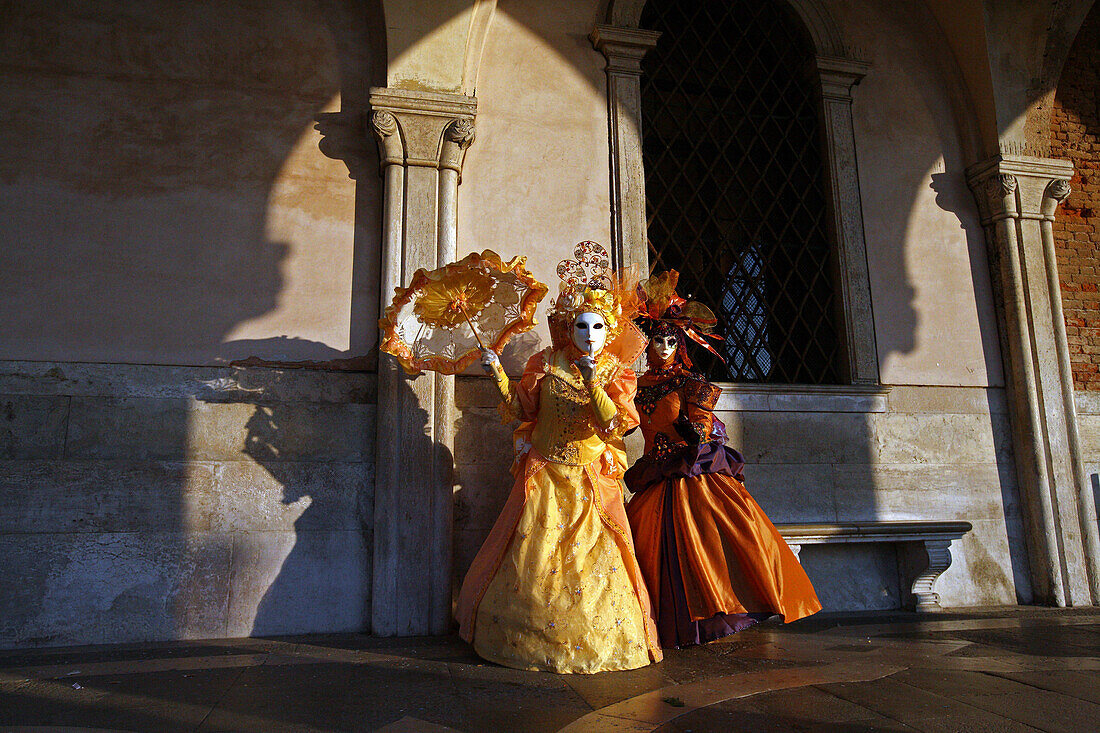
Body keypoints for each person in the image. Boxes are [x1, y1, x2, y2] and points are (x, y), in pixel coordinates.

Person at [455, 242, 663, 673]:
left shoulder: (617, 373)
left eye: (598, 328)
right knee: (533, 560)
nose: (589, 336)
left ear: (609, 331)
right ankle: (522, 643)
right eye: (581, 327)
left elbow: (616, 426)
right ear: (568, 328)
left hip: (588, 484)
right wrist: (495, 369)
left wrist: (593, 384)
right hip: (546, 476)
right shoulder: (544, 363)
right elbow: (520, 411)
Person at [625, 271, 821, 649]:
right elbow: (626, 424)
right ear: (646, 344)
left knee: (708, 547)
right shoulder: (634, 387)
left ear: (679, 344)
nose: (663, 347)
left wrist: (694, 427)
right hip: (654, 476)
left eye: (670, 340)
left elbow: (701, 429)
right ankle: (665, 628)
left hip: (691, 477)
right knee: (653, 552)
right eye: (656, 340)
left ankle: (716, 616)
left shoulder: (692, 383)